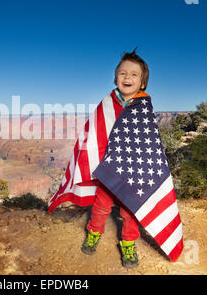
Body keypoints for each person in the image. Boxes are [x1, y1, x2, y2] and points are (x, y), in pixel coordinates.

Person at [81, 48, 150, 268]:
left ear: (142, 83)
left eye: (134, 74)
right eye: (122, 73)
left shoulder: (144, 108)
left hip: (131, 172)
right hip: (108, 169)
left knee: (130, 210)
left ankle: (128, 242)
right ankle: (94, 232)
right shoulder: (107, 105)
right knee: (101, 204)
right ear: (115, 77)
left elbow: (149, 142)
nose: (127, 77)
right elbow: (95, 134)